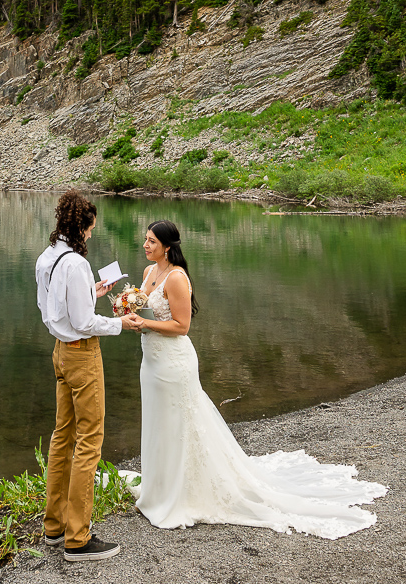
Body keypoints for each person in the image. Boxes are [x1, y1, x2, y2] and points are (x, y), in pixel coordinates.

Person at [122, 219, 388, 536]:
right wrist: (127, 311)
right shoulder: (149, 273)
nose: (145, 245)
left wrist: (145, 324)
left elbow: (182, 326)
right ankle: (158, 487)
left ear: (167, 246)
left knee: (179, 423)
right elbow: (144, 308)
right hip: (150, 361)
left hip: (173, 362)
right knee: (157, 421)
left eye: (151, 241)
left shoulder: (177, 278)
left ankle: (181, 492)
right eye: (145, 239)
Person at [35, 190, 138, 562]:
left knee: (63, 435)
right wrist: (119, 323)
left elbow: (50, 309)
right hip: (82, 355)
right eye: (91, 230)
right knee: (90, 440)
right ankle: (78, 538)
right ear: (81, 226)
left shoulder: (47, 258)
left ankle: (54, 526)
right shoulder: (76, 264)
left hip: (60, 354)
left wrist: (91, 292)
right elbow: (82, 322)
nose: (92, 236)